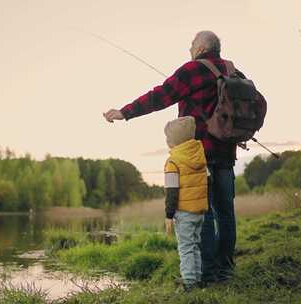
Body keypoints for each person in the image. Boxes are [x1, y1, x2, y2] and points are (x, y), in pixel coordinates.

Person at [103, 31, 264, 282]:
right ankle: (225, 269)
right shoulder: (234, 71)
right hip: (228, 152)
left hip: (199, 155)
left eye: (191, 44)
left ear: (201, 47)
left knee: (206, 212)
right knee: (226, 212)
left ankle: (208, 273)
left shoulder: (192, 70)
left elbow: (160, 95)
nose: (189, 48)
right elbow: (257, 104)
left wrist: (125, 112)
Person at [163, 116, 208, 292]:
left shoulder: (173, 161)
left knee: (186, 247)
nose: (167, 142)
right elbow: (207, 182)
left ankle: (189, 282)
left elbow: (171, 191)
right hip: (199, 212)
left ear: (173, 141)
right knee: (195, 245)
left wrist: (168, 215)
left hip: (184, 212)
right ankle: (196, 279)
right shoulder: (199, 155)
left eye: (168, 138)